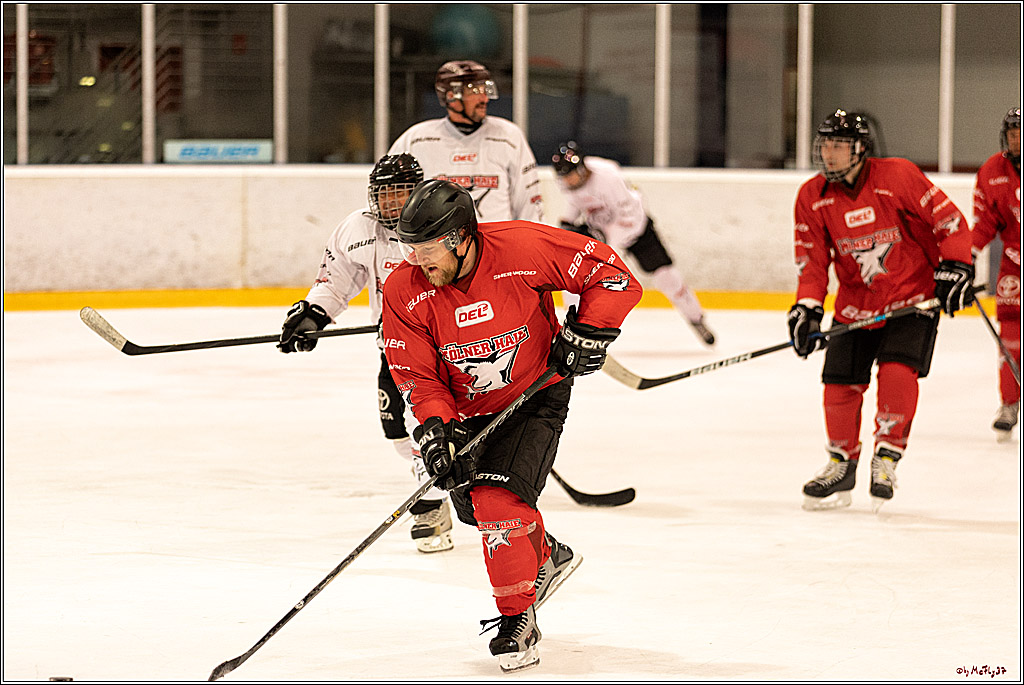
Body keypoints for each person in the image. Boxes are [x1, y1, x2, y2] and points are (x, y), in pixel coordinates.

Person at [380, 179, 641, 671]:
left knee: (497, 503)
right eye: (406, 248)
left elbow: (613, 275)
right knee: (478, 513)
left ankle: (516, 619)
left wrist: (589, 330)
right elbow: (416, 374)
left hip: (535, 391)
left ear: (460, 238)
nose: (415, 260)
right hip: (466, 411)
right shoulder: (404, 291)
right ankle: (546, 555)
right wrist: (437, 430)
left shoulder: (523, 247)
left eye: (425, 248)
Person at [788, 109, 974, 511]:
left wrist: (957, 265)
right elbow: (812, 262)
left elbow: (949, 221)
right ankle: (841, 462)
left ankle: (886, 457)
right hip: (856, 305)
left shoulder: (898, 176)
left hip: (912, 298)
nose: (829, 154)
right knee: (839, 384)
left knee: (896, 371)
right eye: (825, 145)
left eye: (839, 145)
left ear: (860, 149)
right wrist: (807, 308)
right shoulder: (811, 196)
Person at [276, 153, 457, 554]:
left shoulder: (440, 224)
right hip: (394, 349)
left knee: (427, 427)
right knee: (397, 433)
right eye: (384, 195)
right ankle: (439, 482)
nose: (391, 205)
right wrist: (314, 313)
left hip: (448, 350)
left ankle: (431, 503)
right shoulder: (358, 228)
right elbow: (336, 278)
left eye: (400, 194)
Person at [551, 141, 716, 346]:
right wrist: (567, 228)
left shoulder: (608, 177)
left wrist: (603, 236)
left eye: (570, 175)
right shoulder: (570, 183)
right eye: (564, 178)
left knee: (666, 277)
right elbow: (574, 206)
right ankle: (574, 327)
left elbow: (630, 219)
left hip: (635, 229)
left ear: (582, 168)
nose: (568, 181)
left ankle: (696, 319)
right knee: (573, 269)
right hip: (600, 231)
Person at [387, 60, 544, 223]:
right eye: (475, 91)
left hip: (497, 244)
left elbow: (530, 204)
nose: (484, 99)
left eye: (485, 90)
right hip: (440, 246)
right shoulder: (416, 140)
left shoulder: (508, 136)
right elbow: (388, 194)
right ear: (451, 96)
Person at [971, 107, 1021, 440]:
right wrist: (964, 258)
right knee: (1010, 337)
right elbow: (985, 223)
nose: (1016, 140)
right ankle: (1009, 402)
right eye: (1012, 134)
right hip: (1013, 263)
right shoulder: (992, 170)